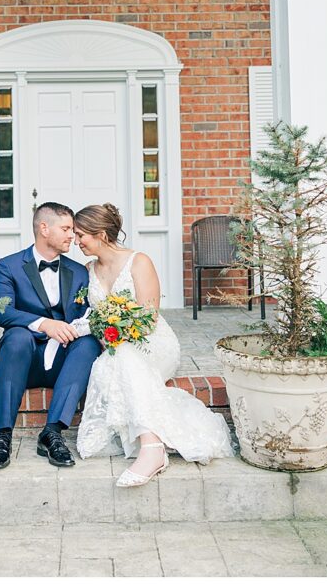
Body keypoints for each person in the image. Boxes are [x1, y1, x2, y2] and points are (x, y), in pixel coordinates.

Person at [73, 203, 234, 486]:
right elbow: (94, 317)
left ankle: (151, 449)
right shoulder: (88, 269)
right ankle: (153, 445)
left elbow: (148, 318)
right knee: (116, 359)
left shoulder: (139, 261)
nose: (76, 242)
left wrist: (115, 331)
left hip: (153, 344)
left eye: (80, 235)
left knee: (120, 357)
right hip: (115, 346)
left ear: (99, 233)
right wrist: (100, 330)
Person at [0, 202, 102, 470]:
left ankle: (52, 432)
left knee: (87, 343)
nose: (72, 236)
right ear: (44, 228)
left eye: (72, 230)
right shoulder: (9, 266)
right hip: (22, 362)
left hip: (64, 362)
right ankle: (2, 435)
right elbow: (2, 312)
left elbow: (85, 315)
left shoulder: (79, 272)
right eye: (66, 229)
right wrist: (43, 324)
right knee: (16, 336)